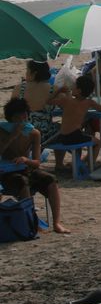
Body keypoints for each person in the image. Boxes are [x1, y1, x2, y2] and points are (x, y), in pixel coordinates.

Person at [0, 98, 69, 233]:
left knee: (50, 180)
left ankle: (56, 223)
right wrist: (13, 136)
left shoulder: (33, 133)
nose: (22, 119)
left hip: (25, 167)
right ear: (11, 118)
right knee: (22, 182)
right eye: (17, 116)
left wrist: (26, 159)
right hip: (6, 172)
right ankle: (32, 221)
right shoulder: (2, 131)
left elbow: (36, 162)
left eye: (24, 115)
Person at [47, 73, 101, 171]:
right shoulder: (89, 102)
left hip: (63, 136)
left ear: (79, 90)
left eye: (74, 86)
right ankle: (91, 165)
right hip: (75, 136)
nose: (72, 88)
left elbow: (48, 101)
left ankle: (81, 161)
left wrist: (58, 91)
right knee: (98, 142)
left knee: (85, 136)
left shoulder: (66, 100)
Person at [9, 60, 58, 143]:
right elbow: (67, 107)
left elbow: (10, 112)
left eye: (27, 70)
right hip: (44, 134)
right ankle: (59, 156)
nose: (26, 73)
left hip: (22, 132)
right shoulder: (53, 89)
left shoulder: (19, 88)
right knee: (61, 130)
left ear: (34, 73)